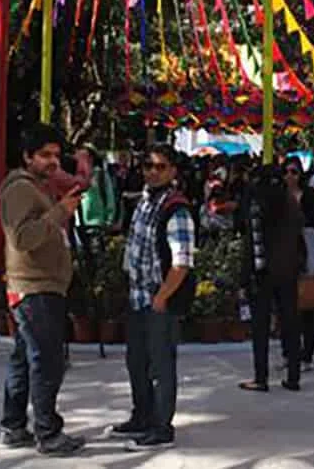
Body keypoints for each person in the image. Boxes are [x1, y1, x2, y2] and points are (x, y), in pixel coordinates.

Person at [0, 124, 85, 457]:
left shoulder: (36, 186)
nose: (52, 161)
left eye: (55, 155)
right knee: (46, 362)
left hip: (36, 286)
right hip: (35, 287)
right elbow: (23, 238)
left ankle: (13, 425)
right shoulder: (21, 189)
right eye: (44, 155)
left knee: (23, 359)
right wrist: (61, 211)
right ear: (27, 156)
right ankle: (48, 433)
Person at [107, 145, 194, 452]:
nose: (152, 171)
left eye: (160, 166)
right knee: (137, 362)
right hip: (137, 296)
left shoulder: (176, 208)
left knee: (160, 366)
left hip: (158, 299)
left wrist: (162, 296)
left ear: (172, 171)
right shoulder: (145, 202)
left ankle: (161, 426)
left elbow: (182, 261)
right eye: (148, 165)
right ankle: (142, 416)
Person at [239, 166, 304, 393]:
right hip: (287, 270)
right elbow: (299, 236)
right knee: (290, 322)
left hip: (262, 272)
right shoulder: (291, 203)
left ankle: (261, 377)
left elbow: (253, 241)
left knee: (260, 327)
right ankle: (293, 376)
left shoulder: (256, 203)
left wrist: (246, 274)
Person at [280, 157, 314, 371]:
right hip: (285, 253)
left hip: (307, 250)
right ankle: (289, 353)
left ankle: (307, 355)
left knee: (307, 306)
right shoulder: (278, 196)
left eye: (294, 172)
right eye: (286, 172)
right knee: (285, 307)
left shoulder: (311, 196)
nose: (289, 176)